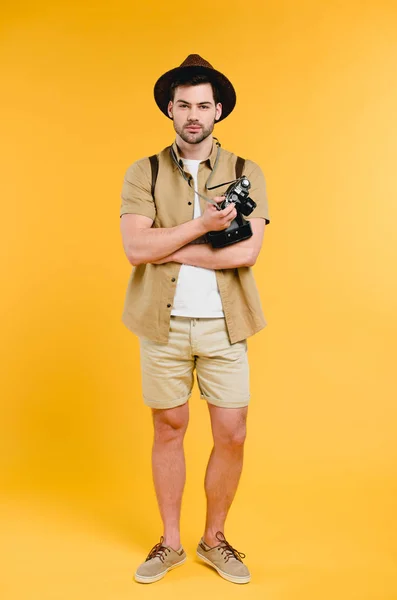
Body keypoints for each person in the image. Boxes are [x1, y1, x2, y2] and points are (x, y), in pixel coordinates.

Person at [119, 54, 270, 585]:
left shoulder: (245, 172)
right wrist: (203, 226)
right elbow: (135, 247)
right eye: (183, 104)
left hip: (225, 325)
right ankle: (171, 542)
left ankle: (215, 539)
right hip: (161, 325)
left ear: (218, 110)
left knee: (232, 432)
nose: (193, 114)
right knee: (169, 428)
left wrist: (172, 244)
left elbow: (246, 254)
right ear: (169, 108)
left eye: (203, 105)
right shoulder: (146, 170)